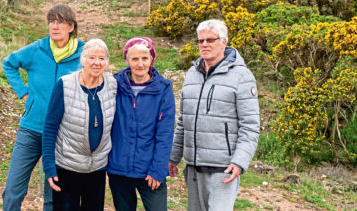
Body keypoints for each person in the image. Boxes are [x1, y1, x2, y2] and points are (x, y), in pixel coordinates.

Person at [169, 19, 260, 211]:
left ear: (224, 42)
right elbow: (182, 122)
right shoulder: (192, 74)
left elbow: (250, 125)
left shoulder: (242, 77)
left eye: (210, 40)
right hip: (193, 167)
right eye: (200, 41)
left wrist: (239, 162)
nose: (204, 45)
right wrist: (173, 157)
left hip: (223, 169)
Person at [2, 4, 84, 211]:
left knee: (54, 193)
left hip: (62, 133)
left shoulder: (84, 53)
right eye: (52, 22)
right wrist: (24, 93)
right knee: (12, 191)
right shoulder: (36, 49)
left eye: (60, 22)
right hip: (31, 129)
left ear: (71, 26)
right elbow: (9, 63)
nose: (55, 26)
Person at [42, 38, 118, 211]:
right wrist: (49, 166)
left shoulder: (112, 84)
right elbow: (50, 127)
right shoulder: (65, 84)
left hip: (97, 168)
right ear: (82, 59)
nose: (97, 63)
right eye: (92, 57)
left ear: (107, 61)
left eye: (102, 58)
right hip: (67, 166)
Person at [107, 37, 175, 211]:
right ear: (127, 60)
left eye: (145, 58)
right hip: (119, 169)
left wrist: (158, 169)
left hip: (150, 170)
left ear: (151, 59)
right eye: (134, 59)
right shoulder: (114, 85)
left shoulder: (164, 89)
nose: (140, 64)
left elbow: (165, 133)